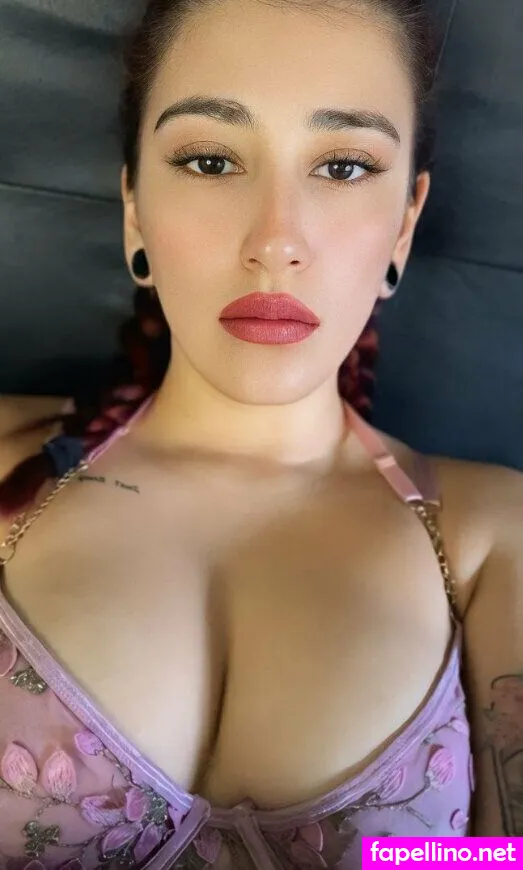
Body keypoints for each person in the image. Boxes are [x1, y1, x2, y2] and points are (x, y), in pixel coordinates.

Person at [0, 0, 522, 866]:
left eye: (344, 166)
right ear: (134, 207)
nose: (275, 242)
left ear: (404, 221)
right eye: (210, 160)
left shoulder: (490, 539)